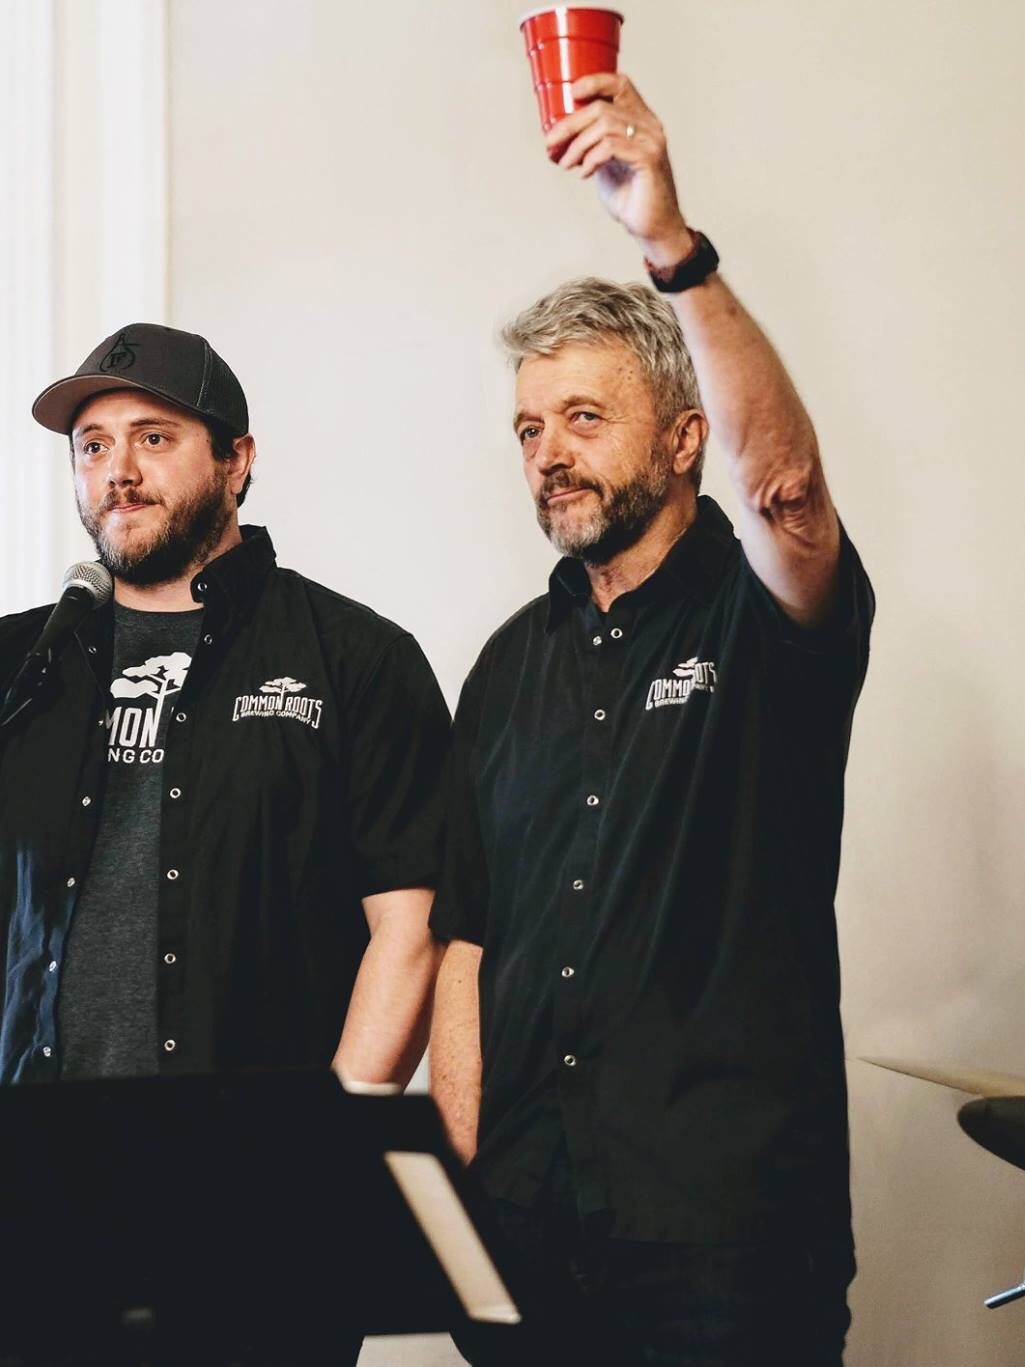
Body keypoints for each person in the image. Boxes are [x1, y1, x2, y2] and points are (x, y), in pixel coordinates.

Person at [0, 323, 449, 1362]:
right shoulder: (20, 664)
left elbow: (410, 930)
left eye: (153, 437)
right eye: (91, 444)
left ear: (238, 459)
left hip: (249, 1197)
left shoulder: (352, 658)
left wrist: (319, 1157)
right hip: (27, 1197)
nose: (116, 470)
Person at [429, 73, 874, 1366]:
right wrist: (462, 1187)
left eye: (582, 417)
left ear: (683, 441)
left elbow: (787, 487)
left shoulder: (760, 615)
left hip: (724, 1242)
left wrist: (671, 248)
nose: (547, 451)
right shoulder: (506, 665)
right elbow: (464, 938)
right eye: (527, 426)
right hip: (522, 1222)